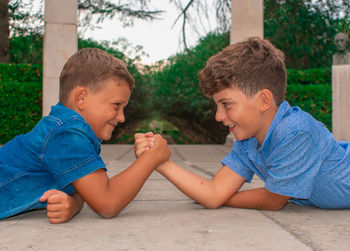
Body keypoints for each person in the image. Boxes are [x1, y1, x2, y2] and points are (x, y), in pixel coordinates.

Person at [135, 37, 350, 210]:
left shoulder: (295, 131)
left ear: (264, 101)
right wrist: (160, 162)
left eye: (226, 104)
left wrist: (226, 199)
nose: (218, 116)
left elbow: (273, 200)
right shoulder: (248, 139)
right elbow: (214, 193)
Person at [0, 48, 170, 223]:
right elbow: (107, 203)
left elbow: (88, 191)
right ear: (81, 98)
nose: (121, 117)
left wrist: (73, 203)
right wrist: (151, 159)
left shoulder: (66, 128)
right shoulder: (67, 134)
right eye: (116, 105)